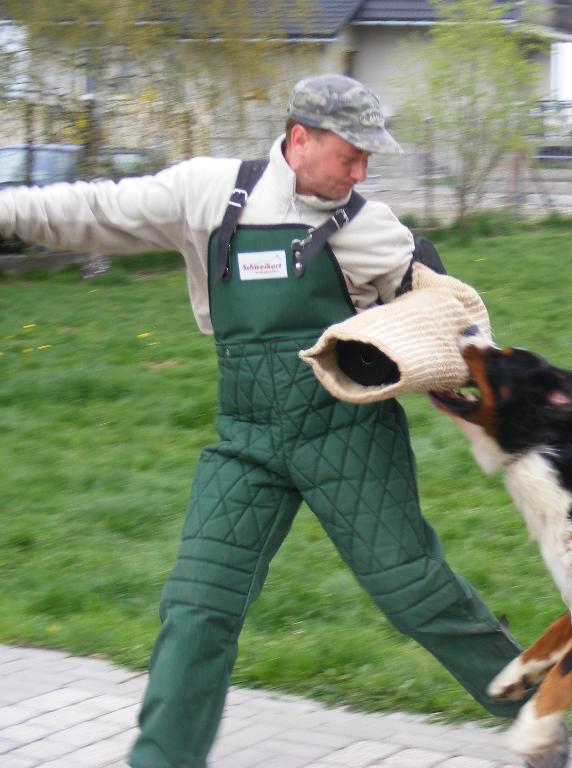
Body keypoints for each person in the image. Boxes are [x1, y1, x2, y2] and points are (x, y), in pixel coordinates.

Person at [0, 74, 524, 767]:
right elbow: (96, 208)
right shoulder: (209, 192)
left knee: (414, 592)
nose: (361, 171)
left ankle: (535, 711)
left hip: (347, 438)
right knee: (197, 607)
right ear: (299, 138)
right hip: (246, 437)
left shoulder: (370, 228)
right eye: (349, 155)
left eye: (369, 158)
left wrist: (430, 334)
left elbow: (457, 319)